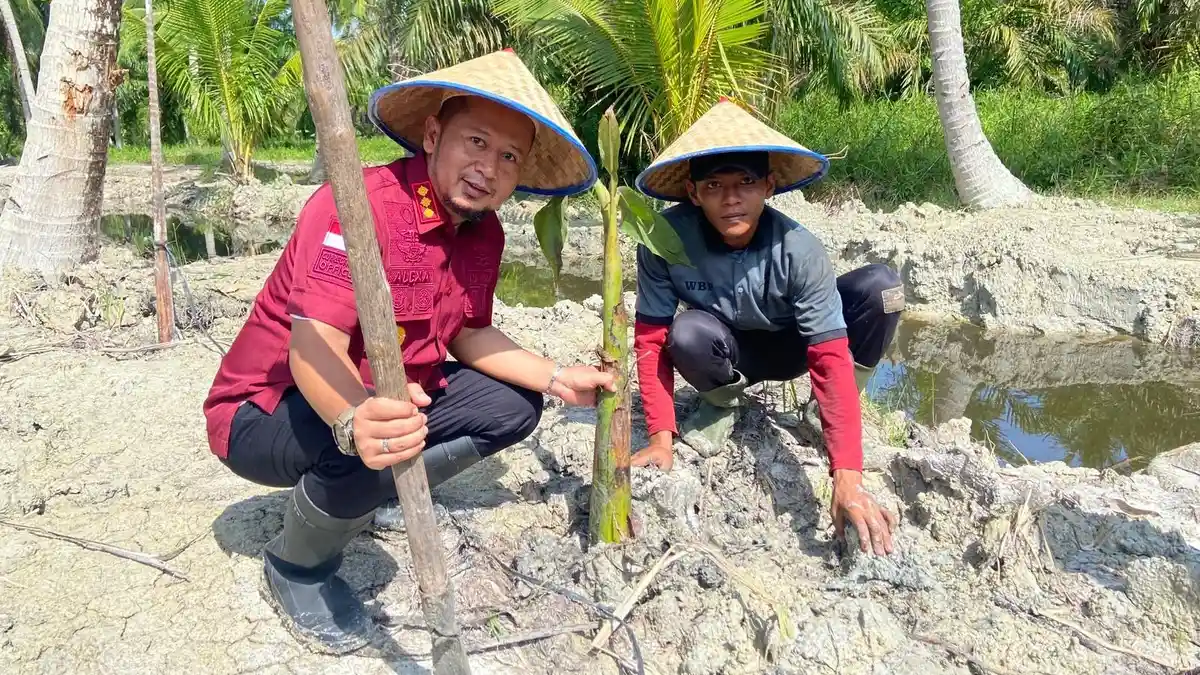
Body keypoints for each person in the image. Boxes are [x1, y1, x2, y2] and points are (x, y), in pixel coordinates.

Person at [202, 50, 612, 654]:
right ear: (432, 134)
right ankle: (297, 566)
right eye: (475, 142)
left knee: (514, 406)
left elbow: (469, 333)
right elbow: (313, 343)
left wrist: (555, 378)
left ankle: (372, 488)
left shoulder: (484, 231)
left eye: (508, 157)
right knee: (379, 437)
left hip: (388, 398)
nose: (488, 168)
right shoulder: (361, 205)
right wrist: (356, 416)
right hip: (263, 410)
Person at [629, 98, 903, 556]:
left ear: (769, 187)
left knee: (883, 288)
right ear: (693, 193)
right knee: (685, 333)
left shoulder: (799, 249)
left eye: (746, 183)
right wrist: (660, 437)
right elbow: (651, 338)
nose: (731, 198)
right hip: (728, 352)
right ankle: (720, 404)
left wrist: (847, 477)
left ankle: (826, 412)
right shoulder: (664, 240)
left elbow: (829, 353)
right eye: (714, 185)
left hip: (794, 344)